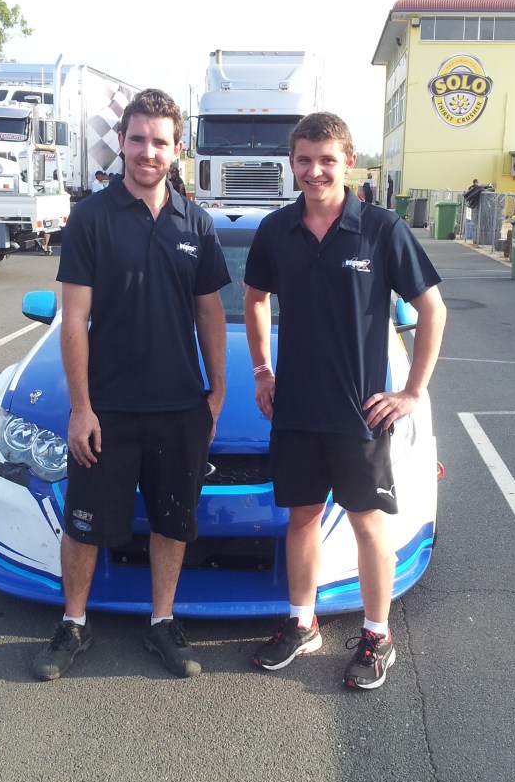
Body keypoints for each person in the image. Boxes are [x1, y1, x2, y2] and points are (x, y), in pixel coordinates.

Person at [33, 88, 231, 682]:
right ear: (121, 142)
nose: (148, 152)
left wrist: (216, 394)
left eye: (160, 142)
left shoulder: (194, 220)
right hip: (109, 410)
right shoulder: (91, 218)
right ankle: (73, 624)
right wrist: (81, 407)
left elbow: (211, 313)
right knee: (84, 522)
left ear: (177, 149)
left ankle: (161, 622)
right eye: (138, 139)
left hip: (178, 408)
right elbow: (73, 319)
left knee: (173, 522)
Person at [243, 111, 446, 690]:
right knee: (302, 519)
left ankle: (377, 635)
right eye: (304, 159)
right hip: (295, 411)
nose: (314, 171)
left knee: (366, 522)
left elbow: (432, 308)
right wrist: (262, 369)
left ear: (348, 161)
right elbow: (254, 298)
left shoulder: (381, 229)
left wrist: (412, 392)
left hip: (359, 413)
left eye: (327, 159)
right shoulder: (276, 230)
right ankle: (302, 624)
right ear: (292, 162)